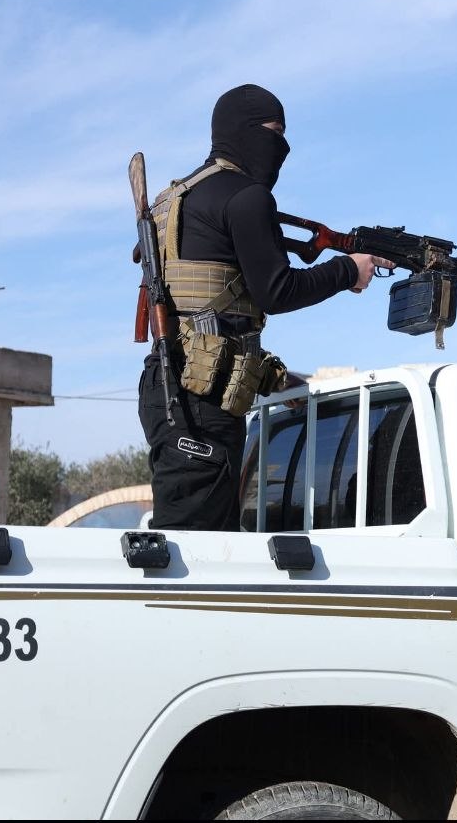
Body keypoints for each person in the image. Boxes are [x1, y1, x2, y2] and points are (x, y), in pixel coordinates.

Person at [138, 84, 393, 531]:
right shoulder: (246, 197)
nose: (282, 147)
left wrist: (270, 378)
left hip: (171, 387)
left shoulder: (173, 199)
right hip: (201, 399)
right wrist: (347, 270)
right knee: (194, 549)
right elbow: (278, 290)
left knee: (197, 539)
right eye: (276, 132)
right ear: (244, 129)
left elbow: (210, 315)